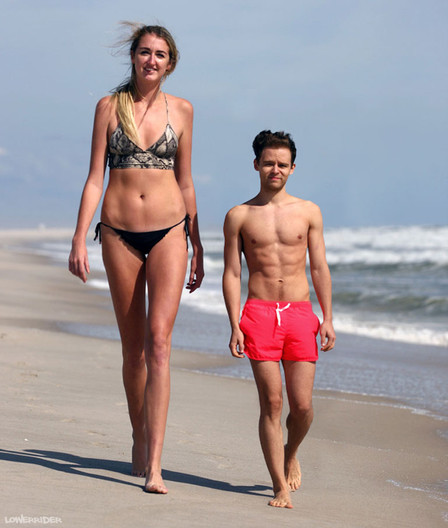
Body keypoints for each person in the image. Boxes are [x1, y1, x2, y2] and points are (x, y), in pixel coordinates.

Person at [68, 23, 204, 494]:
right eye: (144, 52)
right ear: (133, 57)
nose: (151, 60)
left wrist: (197, 243)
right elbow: (95, 178)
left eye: (160, 54)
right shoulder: (109, 108)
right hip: (118, 233)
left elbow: (185, 182)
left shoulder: (182, 110)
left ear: (170, 63)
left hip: (170, 231)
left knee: (160, 344)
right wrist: (78, 236)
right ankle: (138, 434)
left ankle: (156, 465)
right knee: (134, 350)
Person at [222, 130, 335, 509]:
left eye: (282, 164)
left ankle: (291, 452)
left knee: (301, 407)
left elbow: (319, 267)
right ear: (256, 164)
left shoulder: (309, 211)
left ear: (292, 168)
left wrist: (327, 317)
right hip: (258, 314)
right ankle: (278, 487)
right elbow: (232, 273)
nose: (275, 169)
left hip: (300, 314)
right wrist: (234, 323)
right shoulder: (239, 216)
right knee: (272, 403)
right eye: (268, 163)